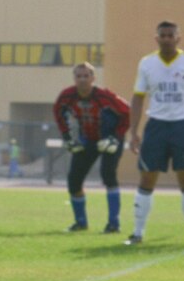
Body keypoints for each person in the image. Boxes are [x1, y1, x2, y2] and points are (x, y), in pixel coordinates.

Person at [126, 21, 184, 245]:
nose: (167, 39)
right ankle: (137, 233)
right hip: (156, 125)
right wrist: (134, 131)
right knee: (147, 177)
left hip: (183, 126)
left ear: (179, 38)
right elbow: (138, 97)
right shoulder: (147, 63)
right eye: (163, 35)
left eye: (171, 35)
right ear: (156, 38)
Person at [53, 63, 130, 233]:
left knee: (108, 174)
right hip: (88, 139)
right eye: (79, 76)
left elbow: (127, 112)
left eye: (86, 76)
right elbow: (58, 111)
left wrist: (116, 136)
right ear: (74, 78)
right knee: (74, 180)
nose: (82, 80)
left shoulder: (105, 96)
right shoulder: (67, 96)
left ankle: (113, 224)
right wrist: (67, 136)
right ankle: (80, 222)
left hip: (109, 139)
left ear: (93, 78)